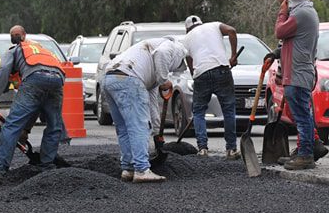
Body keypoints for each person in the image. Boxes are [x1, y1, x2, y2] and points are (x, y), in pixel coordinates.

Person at [0, 26, 66, 184]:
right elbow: (36, 105)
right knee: (54, 125)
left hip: (35, 78)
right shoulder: (41, 49)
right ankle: (46, 166)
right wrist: (27, 129)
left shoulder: (15, 50)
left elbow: (3, 71)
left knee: (11, 125)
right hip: (57, 78)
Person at [102, 36, 187, 183]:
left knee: (124, 127)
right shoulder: (176, 47)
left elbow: (152, 104)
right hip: (129, 78)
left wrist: (156, 133)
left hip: (110, 78)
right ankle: (141, 169)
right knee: (139, 126)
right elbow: (161, 54)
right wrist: (164, 79)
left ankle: (128, 168)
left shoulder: (147, 67)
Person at [273, 0, 319, 171]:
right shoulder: (305, 10)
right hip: (299, 71)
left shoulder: (300, 13)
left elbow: (279, 31)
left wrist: (282, 13)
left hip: (298, 73)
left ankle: (306, 155)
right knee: (302, 115)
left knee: (302, 117)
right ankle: (302, 151)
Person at [182, 15, 241, 159]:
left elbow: (191, 67)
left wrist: (198, 76)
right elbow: (232, 31)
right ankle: (231, 149)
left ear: (187, 28)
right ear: (201, 23)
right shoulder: (214, 25)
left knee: (198, 112)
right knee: (228, 110)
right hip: (222, 69)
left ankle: (202, 149)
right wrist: (233, 56)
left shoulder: (186, 39)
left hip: (201, 74)